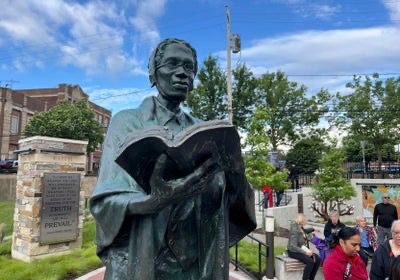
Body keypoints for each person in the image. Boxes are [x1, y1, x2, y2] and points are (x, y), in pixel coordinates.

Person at [89, 38, 256, 280]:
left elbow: (236, 201)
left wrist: (235, 174)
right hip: (149, 257)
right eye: (172, 64)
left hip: (198, 259)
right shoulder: (127, 122)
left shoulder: (203, 131)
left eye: (189, 68)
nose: (182, 73)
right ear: (153, 74)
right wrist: (152, 201)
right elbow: (106, 199)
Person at [287, 214, 321, 280]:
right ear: (301, 220)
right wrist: (305, 252)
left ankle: (311, 278)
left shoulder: (300, 227)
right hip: (293, 251)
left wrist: (313, 229)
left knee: (318, 259)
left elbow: (304, 232)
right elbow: (293, 246)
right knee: (310, 261)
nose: (306, 221)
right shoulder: (295, 230)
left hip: (301, 249)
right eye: (305, 220)